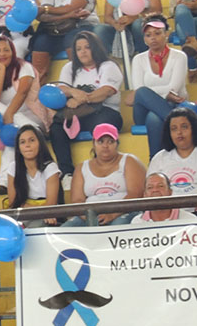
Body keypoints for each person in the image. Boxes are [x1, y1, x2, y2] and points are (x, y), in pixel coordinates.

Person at [50, 31, 123, 189]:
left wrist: (83, 98)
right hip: (80, 114)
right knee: (56, 127)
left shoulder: (108, 66)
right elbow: (62, 89)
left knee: (101, 125)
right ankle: (67, 173)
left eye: (87, 47)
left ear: (95, 48)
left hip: (106, 111)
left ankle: (102, 168)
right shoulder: (69, 67)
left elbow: (106, 91)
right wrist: (73, 92)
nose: (82, 52)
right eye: (79, 49)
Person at [0, 35, 50, 194]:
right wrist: (1, 71)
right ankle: (28, 130)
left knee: (12, 137)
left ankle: (4, 182)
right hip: (4, 123)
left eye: (6, 50)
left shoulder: (24, 67)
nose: (2, 54)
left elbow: (22, 93)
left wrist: (10, 115)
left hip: (31, 117)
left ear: (13, 52)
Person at [125, 14, 188, 158]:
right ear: (144, 39)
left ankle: (154, 161)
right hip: (144, 110)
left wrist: (147, 93)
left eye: (157, 33)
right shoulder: (138, 59)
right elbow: (140, 90)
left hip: (174, 105)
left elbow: (174, 89)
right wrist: (164, 93)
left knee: (154, 117)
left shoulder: (179, 56)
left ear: (166, 34)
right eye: (148, 35)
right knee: (142, 92)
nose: (153, 38)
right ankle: (178, 122)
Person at [31, 0, 99, 83]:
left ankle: (82, 82)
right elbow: (43, 17)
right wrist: (68, 15)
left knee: (72, 38)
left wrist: (47, 9)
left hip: (82, 25)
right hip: (57, 29)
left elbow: (74, 7)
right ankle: (38, 87)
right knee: (40, 42)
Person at [63, 123, 146, 227]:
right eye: (100, 141)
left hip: (124, 211)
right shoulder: (81, 168)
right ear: (94, 143)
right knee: (66, 229)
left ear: (117, 143)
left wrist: (112, 214)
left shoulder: (129, 161)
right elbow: (77, 201)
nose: (105, 146)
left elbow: (136, 194)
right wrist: (91, 218)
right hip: (89, 215)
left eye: (110, 141)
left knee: (117, 227)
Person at [7, 125, 61, 228]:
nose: (27, 145)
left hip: (47, 215)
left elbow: (51, 204)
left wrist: (32, 209)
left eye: (31, 140)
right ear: (18, 148)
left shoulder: (50, 167)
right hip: (24, 214)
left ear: (40, 143)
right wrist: (33, 209)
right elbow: (13, 202)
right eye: (22, 142)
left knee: (32, 227)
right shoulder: (13, 167)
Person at [147, 107, 197, 196]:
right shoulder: (159, 158)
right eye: (174, 129)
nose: (179, 132)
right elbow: (150, 192)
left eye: (184, 127)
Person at [132, 172, 197, 223]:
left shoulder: (190, 220)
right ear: (145, 194)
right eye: (150, 187)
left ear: (170, 191)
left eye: (160, 186)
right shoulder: (137, 222)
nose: (155, 190)